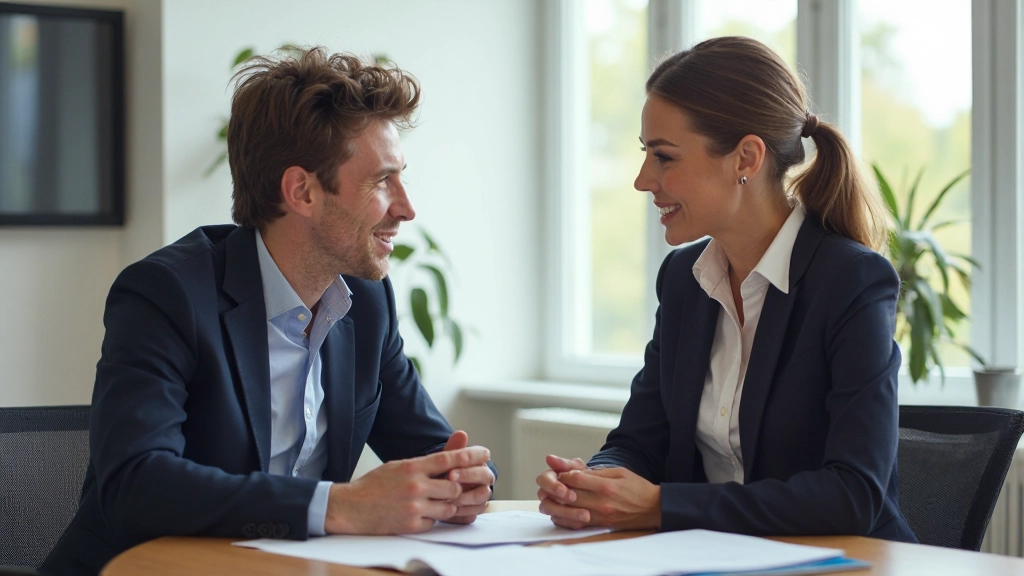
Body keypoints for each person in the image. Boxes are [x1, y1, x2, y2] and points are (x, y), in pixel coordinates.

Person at [43, 47, 496, 576]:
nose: (406, 208)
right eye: (381, 181)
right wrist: (339, 506)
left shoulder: (367, 304)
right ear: (301, 191)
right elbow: (136, 484)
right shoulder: (167, 294)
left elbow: (435, 451)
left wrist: (468, 482)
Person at [536, 36, 915, 542]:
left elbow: (853, 494)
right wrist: (594, 484)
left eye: (664, 157)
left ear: (746, 158)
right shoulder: (683, 279)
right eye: (646, 154)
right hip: (717, 557)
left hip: (845, 564)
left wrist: (660, 506)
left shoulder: (851, 281)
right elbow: (640, 442)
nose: (643, 179)